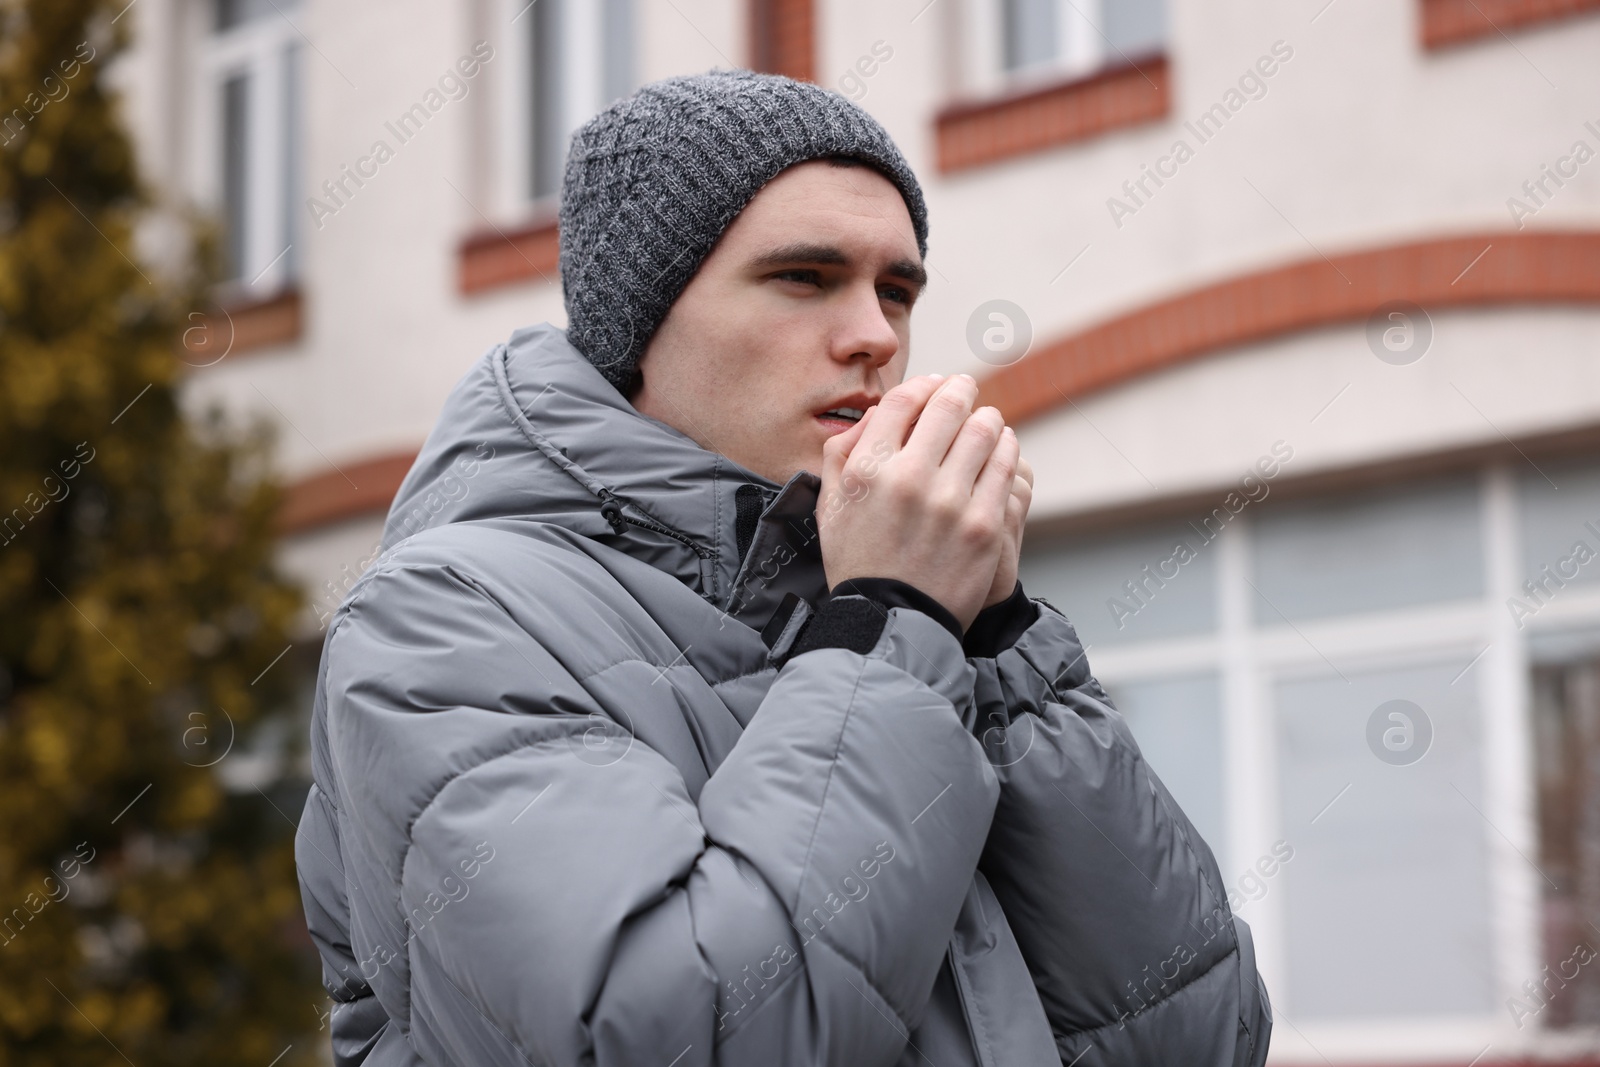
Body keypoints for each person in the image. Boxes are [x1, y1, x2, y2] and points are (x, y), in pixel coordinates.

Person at [295, 68, 1272, 1067]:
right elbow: (694, 1037)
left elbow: (1191, 1029)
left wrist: (996, 642)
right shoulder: (443, 617)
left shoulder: (882, 613)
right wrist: (894, 616)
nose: (875, 336)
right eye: (804, 278)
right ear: (637, 324)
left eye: (896, 288)